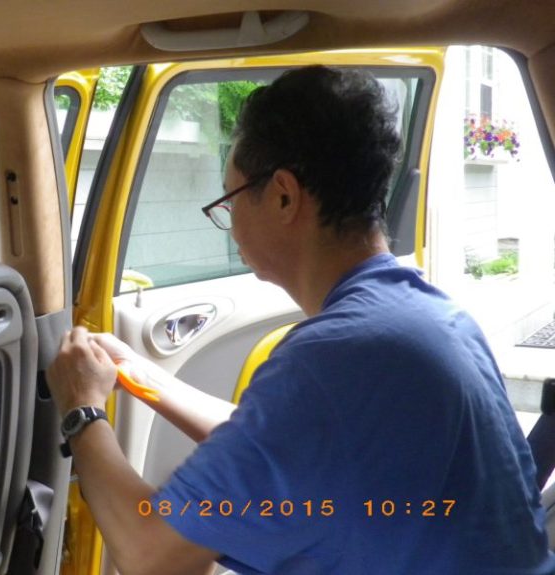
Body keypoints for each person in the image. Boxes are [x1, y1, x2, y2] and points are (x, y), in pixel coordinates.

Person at [46, 66, 555, 574]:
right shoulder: (430, 316)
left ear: (284, 196)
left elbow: (149, 555)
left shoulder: (333, 356)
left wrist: (81, 410)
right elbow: (272, 443)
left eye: (229, 200)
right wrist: (139, 372)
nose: (230, 225)